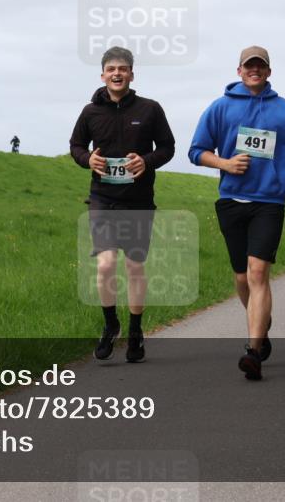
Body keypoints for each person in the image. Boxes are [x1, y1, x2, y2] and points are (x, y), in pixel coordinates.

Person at [189, 45, 285, 380]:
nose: (255, 70)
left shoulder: (284, 110)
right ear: (239, 71)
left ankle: (253, 352)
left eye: (260, 66)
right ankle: (261, 325)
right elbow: (196, 151)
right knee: (242, 278)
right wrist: (224, 163)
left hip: (269, 203)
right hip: (231, 201)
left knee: (257, 273)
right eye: (248, 66)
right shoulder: (220, 107)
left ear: (268, 71)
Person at [70, 46, 175, 363]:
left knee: (134, 266)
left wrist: (146, 161)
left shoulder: (150, 109)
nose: (117, 73)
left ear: (132, 74)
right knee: (105, 265)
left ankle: (135, 330)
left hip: (138, 200)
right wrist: (88, 159)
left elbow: (167, 147)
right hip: (102, 199)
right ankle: (110, 324)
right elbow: (76, 146)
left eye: (123, 69)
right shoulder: (90, 112)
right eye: (111, 69)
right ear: (103, 75)